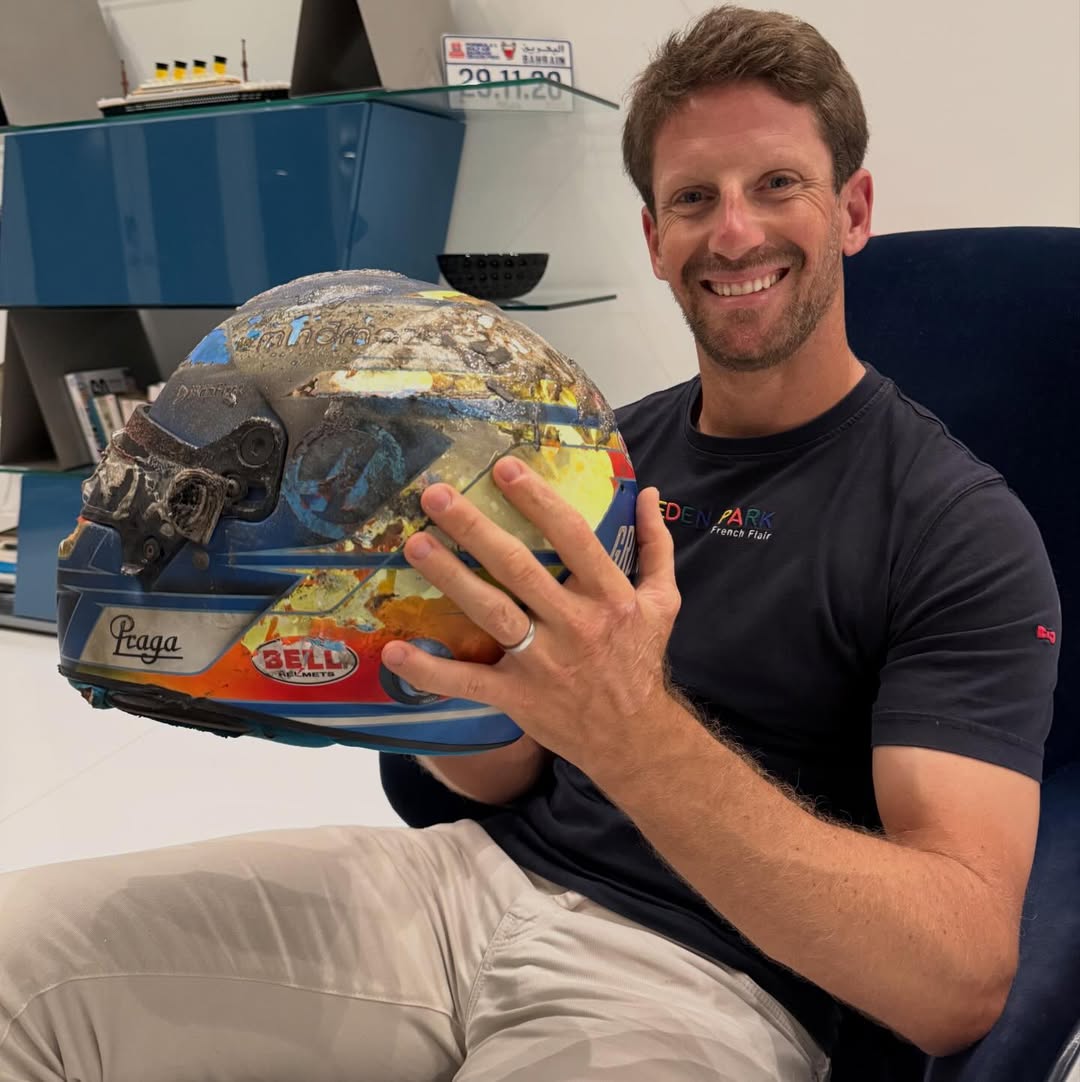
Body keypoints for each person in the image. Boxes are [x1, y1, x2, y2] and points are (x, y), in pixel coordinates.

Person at [0, 7, 1059, 1082]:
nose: (735, 232)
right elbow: (502, 775)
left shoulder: (958, 529)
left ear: (854, 210)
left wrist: (631, 727)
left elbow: (957, 981)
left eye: (777, 184)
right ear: (654, 238)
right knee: (15, 958)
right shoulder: (584, 452)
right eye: (694, 197)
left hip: (711, 978)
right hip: (458, 886)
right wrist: (397, 660)